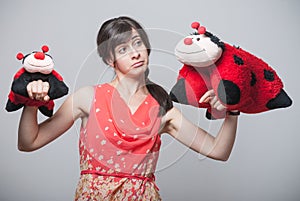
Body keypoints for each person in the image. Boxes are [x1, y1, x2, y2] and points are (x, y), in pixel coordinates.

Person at [18, 16, 239, 200]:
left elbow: (218, 150)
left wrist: (233, 110)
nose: (135, 53)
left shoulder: (162, 108)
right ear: (109, 60)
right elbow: (30, 142)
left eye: (137, 43)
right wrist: (32, 102)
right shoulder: (87, 98)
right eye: (122, 49)